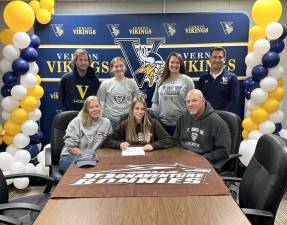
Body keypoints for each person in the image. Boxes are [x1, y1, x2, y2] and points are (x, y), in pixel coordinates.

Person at [174, 89, 230, 165]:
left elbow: (223, 151)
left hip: (205, 162)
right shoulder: (182, 118)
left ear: (203, 101)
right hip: (183, 159)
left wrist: (201, 158)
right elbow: (176, 141)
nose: (190, 104)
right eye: (188, 101)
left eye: (194, 101)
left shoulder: (218, 123)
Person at [59, 96, 112, 173]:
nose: (95, 109)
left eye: (97, 106)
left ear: (101, 107)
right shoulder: (77, 122)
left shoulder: (106, 123)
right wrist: (88, 155)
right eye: (91, 107)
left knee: (104, 169)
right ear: (86, 110)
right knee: (87, 172)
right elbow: (70, 148)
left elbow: (109, 142)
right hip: (70, 156)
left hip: (92, 158)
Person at [103, 96, 176, 151]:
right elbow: (107, 140)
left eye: (143, 109)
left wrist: (153, 145)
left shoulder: (153, 123)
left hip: (149, 157)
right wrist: (119, 145)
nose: (140, 112)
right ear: (132, 109)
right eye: (137, 108)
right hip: (130, 158)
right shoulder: (125, 124)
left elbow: (170, 140)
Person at [151, 52, 194, 135]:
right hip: (162, 124)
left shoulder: (187, 81)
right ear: (167, 64)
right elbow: (155, 103)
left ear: (181, 64)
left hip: (181, 124)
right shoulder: (160, 81)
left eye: (177, 62)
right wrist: (155, 120)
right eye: (172, 62)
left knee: (179, 148)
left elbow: (192, 104)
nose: (174, 65)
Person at [97, 57, 140, 128]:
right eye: (116, 66)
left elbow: (137, 103)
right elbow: (100, 103)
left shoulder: (132, 84)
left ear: (125, 67)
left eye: (121, 66)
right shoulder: (105, 83)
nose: (119, 69)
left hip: (127, 120)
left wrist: (135, 120)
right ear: (112, 69)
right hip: (109, 121)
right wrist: (100, 121)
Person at [197, 47, 239, 114]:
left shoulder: (232, 77)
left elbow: (234, 101)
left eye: (220, 57)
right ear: (210, 59)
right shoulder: (202, 78)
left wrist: (223, 115)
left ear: (224, 60)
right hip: (206, 118)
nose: (217, 60)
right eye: (214, 57)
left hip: (224, 118)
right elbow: (199, 99)